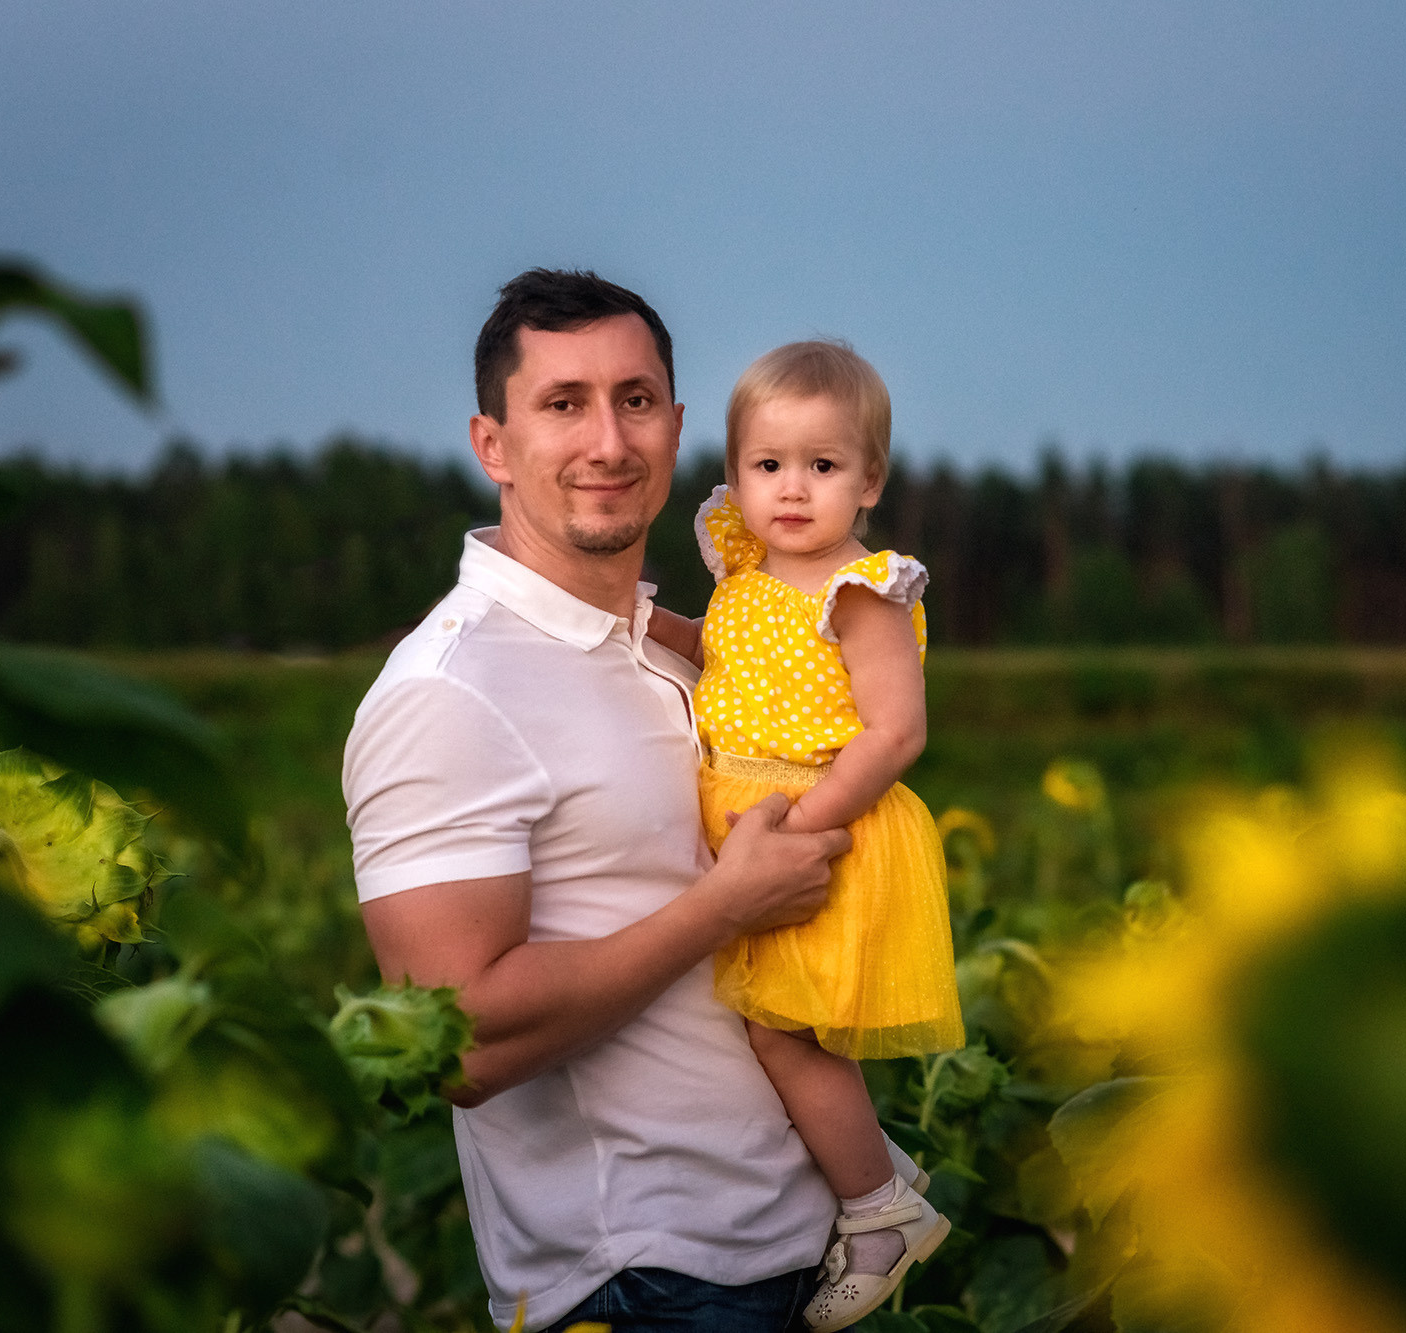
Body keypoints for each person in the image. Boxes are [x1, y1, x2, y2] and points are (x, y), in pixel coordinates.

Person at [345, 269, 892, 1333]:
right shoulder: (448, 691)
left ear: (677, 426)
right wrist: (721, 906)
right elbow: (452, 1042)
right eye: (562, 404)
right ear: (491, 444)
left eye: (634, 400)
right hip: (642, 1280)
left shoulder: (681, 648)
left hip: (791, 1250)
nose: (607, 440)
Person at [650, 340, 962, 1331]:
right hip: (755, 821)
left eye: (822, 467)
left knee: (781, 1032)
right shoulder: (743, 569)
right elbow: (719, 654)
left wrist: (799, 828)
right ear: (734, 472)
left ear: (867, 479)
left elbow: (896, 732)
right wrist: (637, 622)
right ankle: (869, 1158)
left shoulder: (862, 588)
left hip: (819, 826)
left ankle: (881, 1211)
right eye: (767, 465)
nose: (791, 490)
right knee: (759, 1022)